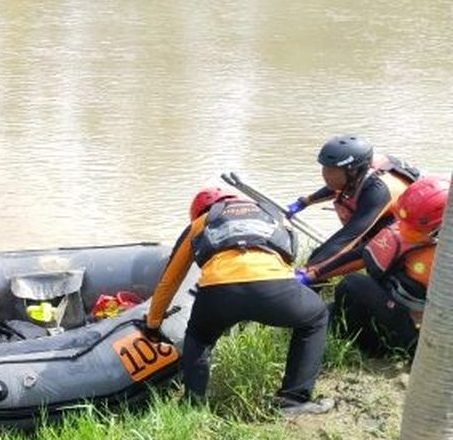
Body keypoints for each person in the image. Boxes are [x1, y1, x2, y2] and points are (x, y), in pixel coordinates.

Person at [145, 187, 333, 416]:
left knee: (198, 338)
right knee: (316, 316)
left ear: (199, 212)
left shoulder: (201, 223)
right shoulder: (270, 213)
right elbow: (287, 256)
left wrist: (153, 324)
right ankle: (294, 399)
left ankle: (193, 404)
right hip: (274, 288)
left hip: (219, 292)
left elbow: (169, 281)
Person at [332, 175, 447, 358]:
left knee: (352, 284)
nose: (405, 230)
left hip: (416, 337)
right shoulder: (428, 244)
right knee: (332, 309)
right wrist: (316, 271)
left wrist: (315, 272)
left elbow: (365, 258)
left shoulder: (436, 258)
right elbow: (364, 254)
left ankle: (371, 350)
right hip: (412, 316)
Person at [288, 134, 419, 283]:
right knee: (319, 257)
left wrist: (311, 269)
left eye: (332, 171)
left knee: (362, 254)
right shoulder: (357, 172)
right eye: (325, 169)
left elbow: (350, 235)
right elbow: (337, 186)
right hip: (373, 215)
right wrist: (305, 202)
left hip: (400, 226)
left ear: (353, 171)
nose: (326, 175)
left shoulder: (378, 190)